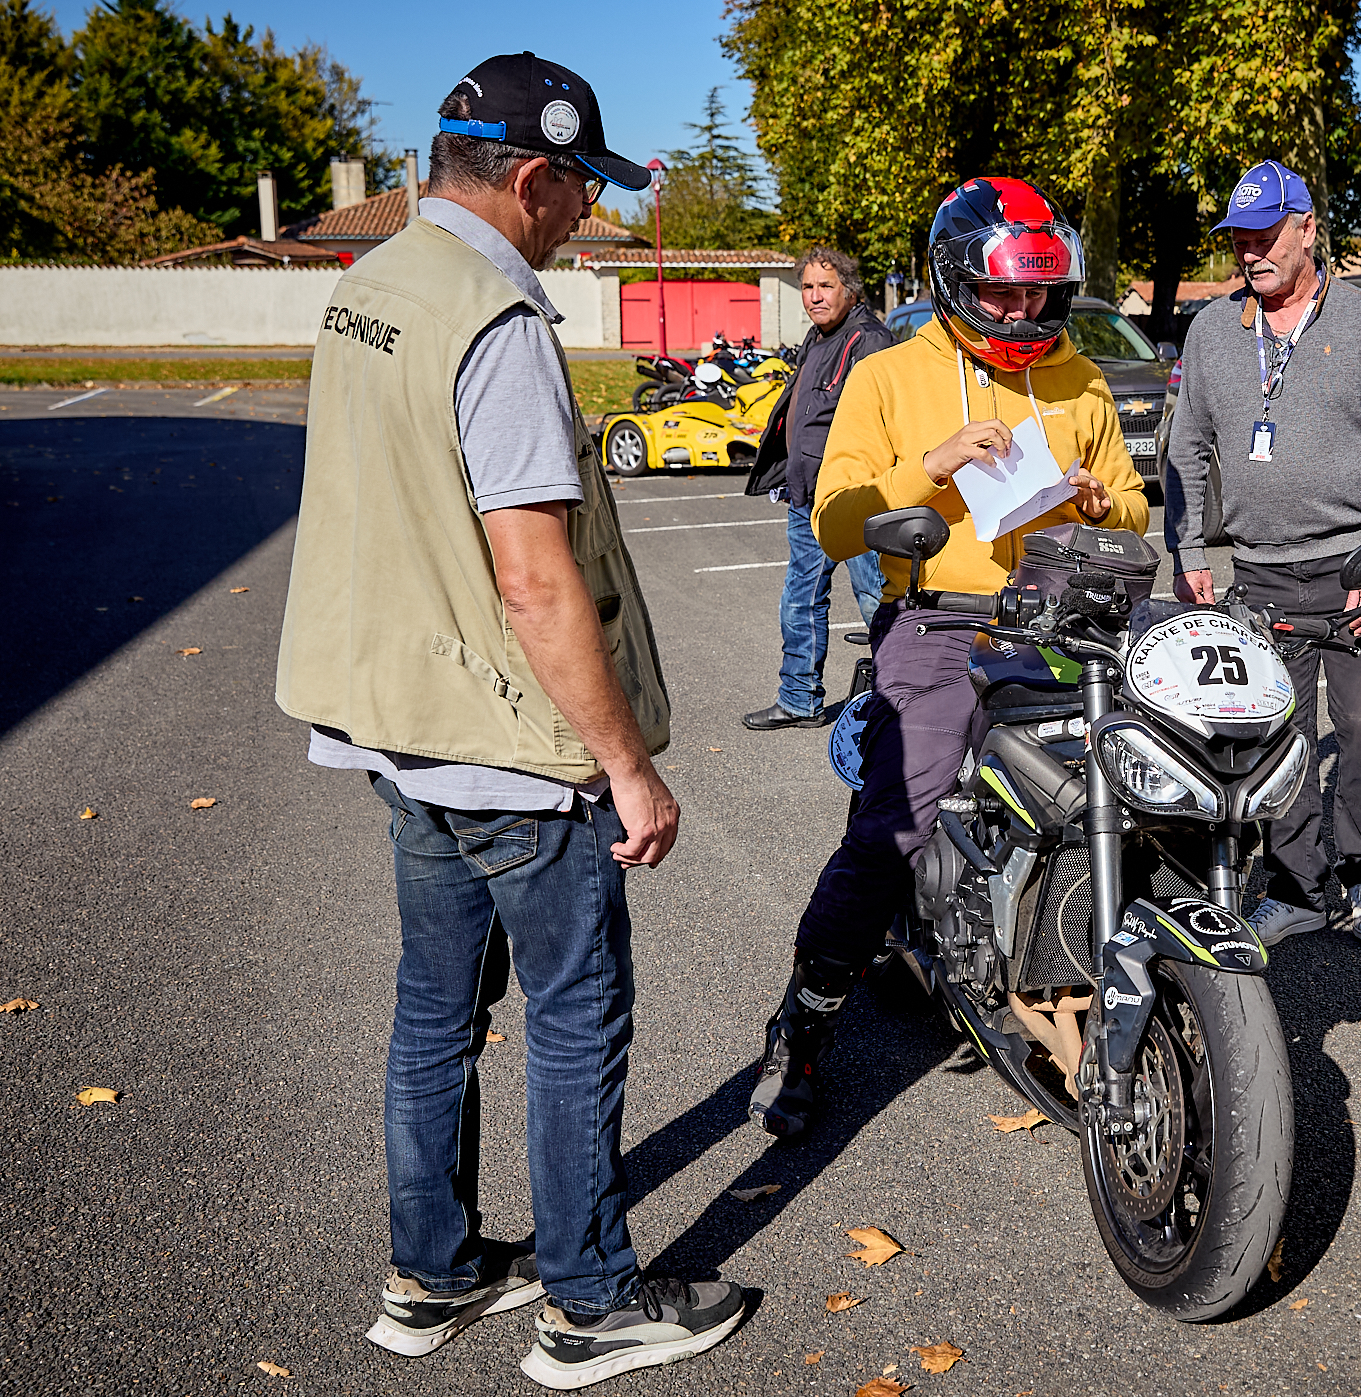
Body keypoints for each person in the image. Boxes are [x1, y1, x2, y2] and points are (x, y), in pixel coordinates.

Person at [274, 52, 746, 1389]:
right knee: (574, 1011)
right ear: (531, 175)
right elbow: (534, 578)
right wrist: (628, 769)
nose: (582, 221)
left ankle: (428, 1274)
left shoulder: (366, 292)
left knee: (434, 1010)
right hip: (499, 741)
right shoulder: (498, 320)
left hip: (388, 722)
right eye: (578, 193)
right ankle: (590, 1301)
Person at [747, 177, 1150, 1141]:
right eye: (1006, 295)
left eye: (1040, 295)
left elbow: (1139, 511)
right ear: (959, 280)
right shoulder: (889, 375)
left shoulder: (1082, 379)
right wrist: (928, 467)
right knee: (900, 813)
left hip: (1061, 619)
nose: (1024, 314)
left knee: (1145, 775)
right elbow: (835, 519)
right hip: (936, 622)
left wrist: (1103, 505)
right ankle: (800, 1026)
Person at [1162, 159, 1361, 953]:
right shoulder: (1213, 330)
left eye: (1266, 234)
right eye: (1240, 239)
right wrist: (1189, 547)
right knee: (1275, 745)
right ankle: (1297, 885)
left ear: (1308, 228)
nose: (1251, 252)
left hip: (1353, 572)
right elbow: (1186, 444)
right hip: (1261, 574)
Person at [742, 246, 895, 729]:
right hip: (808, 496)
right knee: (801, 597)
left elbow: (886, 423)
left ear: (850, 289)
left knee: (878, 597)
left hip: (856, 497)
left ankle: (903, 697)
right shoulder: (819, 336)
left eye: (825, 286)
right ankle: (799, 699)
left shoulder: (869, 340)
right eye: (807, 287)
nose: (814, 296)